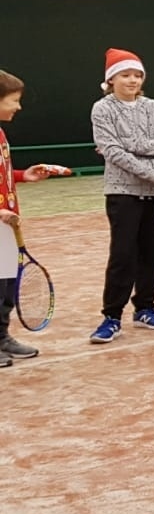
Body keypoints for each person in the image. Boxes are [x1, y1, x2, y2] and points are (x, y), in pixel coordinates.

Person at [89, 48, 154, 343]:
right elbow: (112, 153)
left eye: (138, 75)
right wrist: (153, 173)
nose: (133, 80)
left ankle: (146, 309)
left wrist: (132, 144)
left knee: (150, 253)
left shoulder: (153, 107)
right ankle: (111, 316)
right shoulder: (102, 109)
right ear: (111, 79)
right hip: (121, 192)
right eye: (126, 75)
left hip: (152, 195)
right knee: (122, 255)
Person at [0, 69, 63, 367]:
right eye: (14, 100)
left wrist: (23, 175)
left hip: (6, 227)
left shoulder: (0, 133)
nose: (18, 107)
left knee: (6, 286)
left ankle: (2, 337)